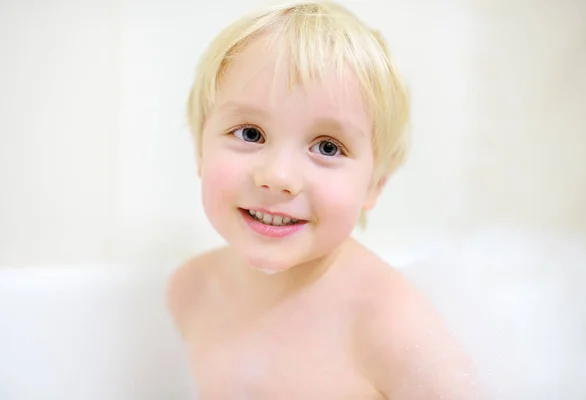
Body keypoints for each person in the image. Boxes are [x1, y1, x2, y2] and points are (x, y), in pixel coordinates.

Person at [168, 1, 480, 398]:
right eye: (250, 133)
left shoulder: (395, 332)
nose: (278, 177)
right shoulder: (190, 292)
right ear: (200, 150)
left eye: (328, 147)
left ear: (375, 185)